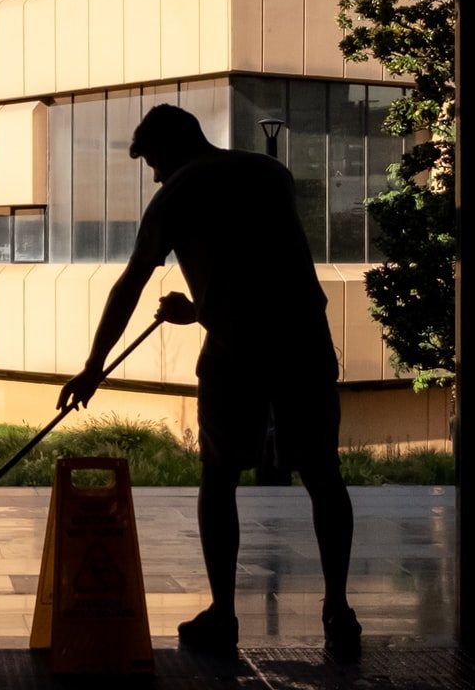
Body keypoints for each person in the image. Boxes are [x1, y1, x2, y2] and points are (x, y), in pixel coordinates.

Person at [56, 104, 360, 660]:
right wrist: (198, 309)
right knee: (322, 473)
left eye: (151, 162)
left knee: (219, 477)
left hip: (236, 354)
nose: (152, 175)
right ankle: (338, 607)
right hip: (303, 341)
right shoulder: (272, 176)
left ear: (170, 149)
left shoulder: (177, 194)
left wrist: (94, 366)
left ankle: (223, 613)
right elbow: (263, 273)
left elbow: (130, 285)